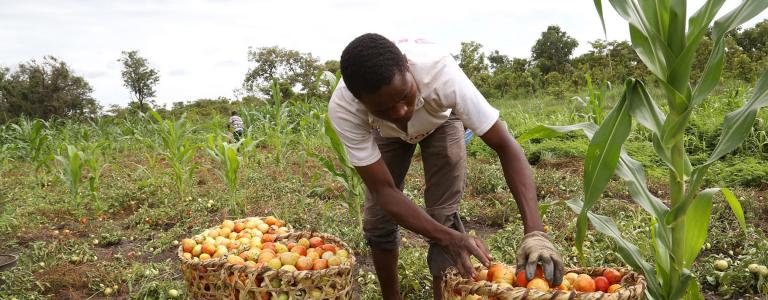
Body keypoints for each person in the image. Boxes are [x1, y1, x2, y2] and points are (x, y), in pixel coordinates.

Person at [328, 33, 564, 299]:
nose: (400, 112)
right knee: (377, 222)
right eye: (384, 109)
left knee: (443, 215)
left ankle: (445, 294)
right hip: (386, 135)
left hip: (440, 121)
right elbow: (384, 190)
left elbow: (505, 146)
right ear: (360, 101)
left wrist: (534, 232)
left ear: (407, 66)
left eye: (404, 96)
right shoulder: (344, 108)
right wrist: (448, 237)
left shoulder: (441, 74)